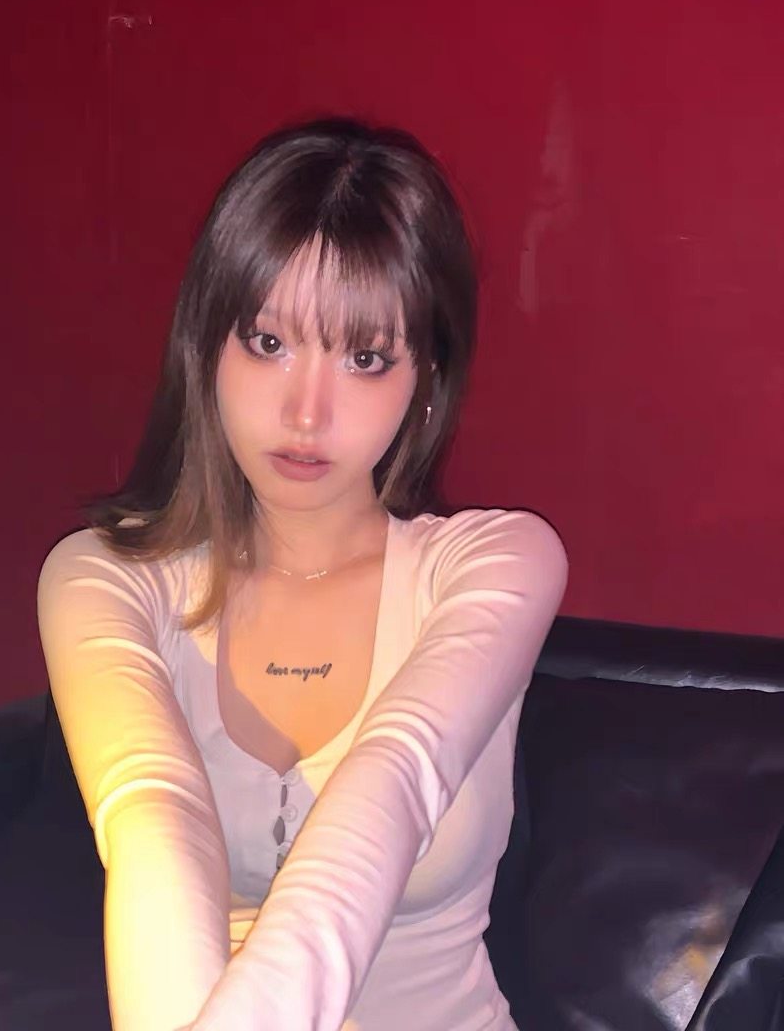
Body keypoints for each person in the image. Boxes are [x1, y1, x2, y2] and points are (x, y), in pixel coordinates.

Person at [37, 117, 568, 1031]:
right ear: (206, 346)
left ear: (425, 379)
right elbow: (155, 820)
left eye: (365, 359)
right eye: (268, 342)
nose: (306, 414)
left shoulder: (497, 565)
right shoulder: (104, 580)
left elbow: (394, 784)